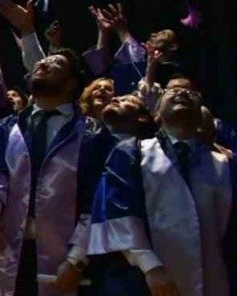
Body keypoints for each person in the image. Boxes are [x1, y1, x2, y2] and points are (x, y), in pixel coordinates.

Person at [0, 30, 114, 296]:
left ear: (71, 84)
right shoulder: (8, 126)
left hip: (68, 257)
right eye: (41, 62)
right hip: (7, 249)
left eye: (55, 62)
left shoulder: (92, 133)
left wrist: (77, 259)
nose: (43, 64)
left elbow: (96, 199)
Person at [88, 76, 236, 295]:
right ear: (156, 112)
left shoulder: (224, 164)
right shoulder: (131, 153)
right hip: (145, 280)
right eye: (171, 91)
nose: (182, 93)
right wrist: (150, 267)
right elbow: (115, 211)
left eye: (191, 93)